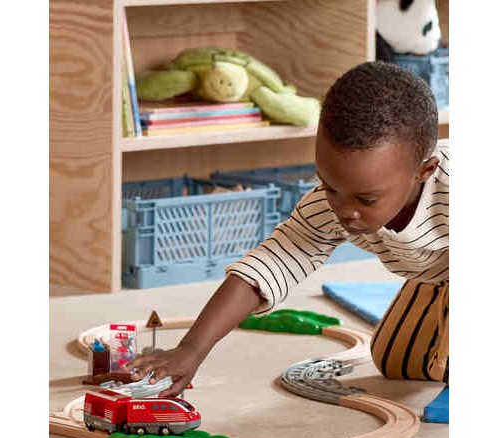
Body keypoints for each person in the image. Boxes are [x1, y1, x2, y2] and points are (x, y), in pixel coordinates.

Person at [126, 61, 449, 395]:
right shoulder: (332, 204)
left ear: (424, 171)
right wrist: (191, 349)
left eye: (366, 199)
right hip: (434, 273)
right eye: (330, 187)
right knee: (398, 363)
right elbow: (271, 263)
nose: (344, 210)